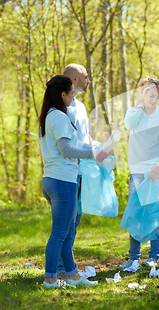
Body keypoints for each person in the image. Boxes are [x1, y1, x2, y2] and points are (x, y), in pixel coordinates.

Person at [39, 75, 108, 288]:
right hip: (62, 181)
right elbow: (67, 150)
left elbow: (73, 144)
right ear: (63, 94)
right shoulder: (58, 117)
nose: (72, 98)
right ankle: (50, 279)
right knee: (60, 233)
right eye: (70, 93)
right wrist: (94, 155)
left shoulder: (49, 115)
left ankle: (73, 276)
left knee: (66, 232)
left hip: (53, 178)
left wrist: (95, 149)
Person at [119, 77, 159, 269]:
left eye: (157, 96)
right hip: (137, 172)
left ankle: (153, 256)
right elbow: (130, 125)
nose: (154, 99)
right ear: (143, 94)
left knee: (154, 213)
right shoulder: (133, 113)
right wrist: (139, 108)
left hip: (158, 171)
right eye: (151, 95)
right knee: (135, 213)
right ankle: (133, 257)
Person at [55, 63, 92, 278]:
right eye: (86, 77)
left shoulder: (81, 106)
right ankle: (61, 270)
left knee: (75, 221)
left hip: (82, 172)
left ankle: (67, 268)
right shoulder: (60, 107)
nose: (89, 81)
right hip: (65, 173)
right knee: (65, 223)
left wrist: (98, 148)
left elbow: (84, 137)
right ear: (75, 79)